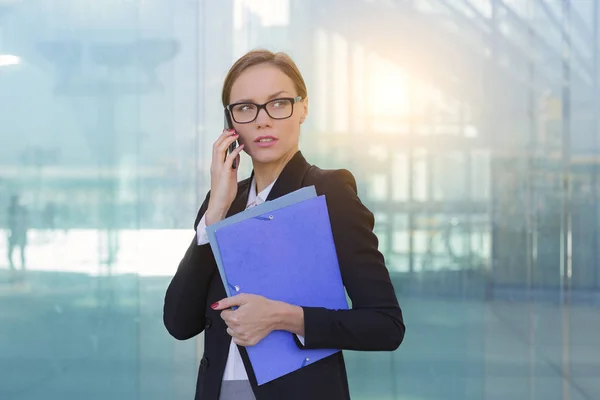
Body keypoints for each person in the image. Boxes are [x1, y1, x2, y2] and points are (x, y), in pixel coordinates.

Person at [163, 49, 405, 400]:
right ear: (230, 123)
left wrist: (284, 317)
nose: (262, 120)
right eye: (245, 107)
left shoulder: (328, 193)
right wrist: (214, 213)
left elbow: (386, 326)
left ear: (303, 107)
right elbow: (179, 323)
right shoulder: (222, 202)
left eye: (278, 103)